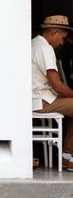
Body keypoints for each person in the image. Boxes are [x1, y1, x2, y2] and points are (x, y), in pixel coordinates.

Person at [32, 15, 73, 170]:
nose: (61, 43)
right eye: (62, 38)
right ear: (54, 32)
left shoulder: (35, 43)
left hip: (37, 98)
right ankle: (68, 157)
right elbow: (57, 85)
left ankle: (67, 157)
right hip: (40, 100)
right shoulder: (45, 48)